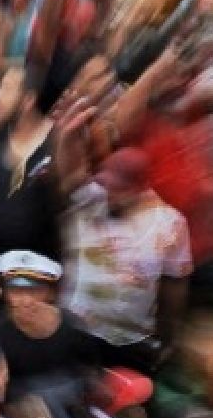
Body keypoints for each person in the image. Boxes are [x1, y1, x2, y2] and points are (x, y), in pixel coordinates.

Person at [64, 148, 193, 356]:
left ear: (139, 188)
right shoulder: (88, 200)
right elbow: (61, 185)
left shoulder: (170, 223)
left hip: (130, 340)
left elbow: (175, 284)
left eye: (118, 189)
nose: (109, 194)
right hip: (76, 329)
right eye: (107, 185)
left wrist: (169, 336)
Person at [0, 250, 157, 400]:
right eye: (17, 291)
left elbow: (89, 366)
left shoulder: (70, 324)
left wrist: (96, 384)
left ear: (50, 294)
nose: (26, 301)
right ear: (6, 294)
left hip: (74, 402)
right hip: (25, 412)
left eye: (34, 291)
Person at [0, 66, 66, 268]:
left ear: (28, 100)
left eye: (6, 90)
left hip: (42, 270)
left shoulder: (56, 140)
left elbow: (66, 204)